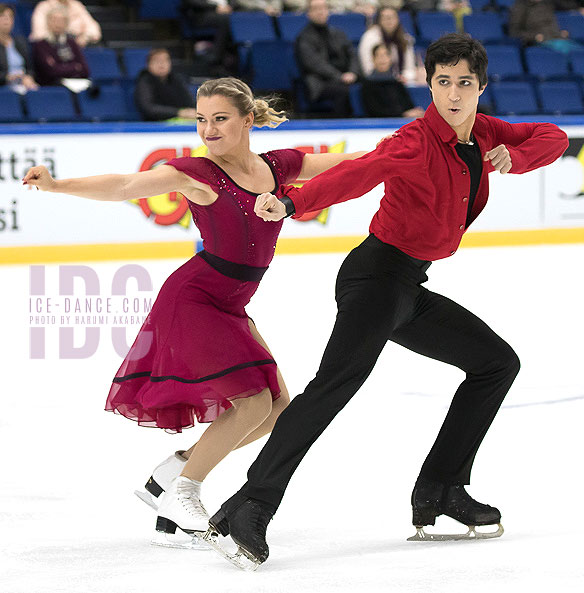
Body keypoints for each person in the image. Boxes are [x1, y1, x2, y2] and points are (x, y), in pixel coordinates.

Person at [204, 33, 569, 568]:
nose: (452, 94)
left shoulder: (487, 134)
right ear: (429, 84)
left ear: (481, 87)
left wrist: (516, 155)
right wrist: (292, 201)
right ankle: (252, 504)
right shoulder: (415, 140)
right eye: (442, 81)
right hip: (375, 279)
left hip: (407, 285)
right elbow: (359, 174)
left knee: (495, 363)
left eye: (464, 83)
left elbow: (554, 136)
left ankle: (441, 489)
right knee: (334, 387)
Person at [22, 76, 367, 548]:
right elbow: (126, 184)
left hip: (232, 304)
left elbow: (348, 163)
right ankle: (185, 490)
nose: (208, 129)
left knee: (277, 409)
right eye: (202, 119)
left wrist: (405, 150)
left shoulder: (278, 167)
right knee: (250, 403)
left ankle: (168, 477)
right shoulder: (200, 174)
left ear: (248, 120)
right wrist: (59, 185)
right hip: (195, 299)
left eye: (220, 118)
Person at [295, 0, 361, 117]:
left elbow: (352, 54)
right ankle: (343, 127)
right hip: (320, 83)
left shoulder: (338, 33)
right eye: (316, 9)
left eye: (323, 8)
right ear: (308, 13)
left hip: (344, 78)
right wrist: (340, 77)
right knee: (343, 92)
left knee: (369, 85)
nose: (321, 12)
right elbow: (314, 64)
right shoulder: (304, 38)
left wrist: (353, 73)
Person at [358, 5, 425, 86]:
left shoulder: (405, 37)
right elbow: (367, 69)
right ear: (379, 20)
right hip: (377, 82)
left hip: (402, 82)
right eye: (385, 17)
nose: (389, 20)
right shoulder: (370, 38)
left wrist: (405, 77)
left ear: (398, 19)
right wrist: (391, 78)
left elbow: (409, 67)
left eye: (392, 17)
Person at [361, 44, 424, 117]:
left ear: (390, 58)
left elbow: (409, 106)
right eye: (378, 55)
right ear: (373, 59)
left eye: (386, 55)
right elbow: (374, 111)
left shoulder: (396, 83)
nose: (383, 59)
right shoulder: (368, 83)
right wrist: (402, 115)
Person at [32, 7, 89, 86]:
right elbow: (50, 71)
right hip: (52, 86)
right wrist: (75, 67)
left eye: (62, 21)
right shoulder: (41, 45)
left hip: (76, 83)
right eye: (54, 20)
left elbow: (85, 70)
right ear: (48, 22)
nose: (58, 24)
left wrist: (60, 67)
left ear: (66, 24)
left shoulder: (72, 43)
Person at [134, 48, 197, 121]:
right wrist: (178, 112)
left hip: (178, 122)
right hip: (154, 126)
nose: (161, 64)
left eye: (165, 60)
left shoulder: (176, 79)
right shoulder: (144, 82)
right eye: (157, 61)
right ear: (148, 65)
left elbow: (190, 101)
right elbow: (149, 108)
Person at [0, 3, 38, 92]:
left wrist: (28, 76)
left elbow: (30, 68)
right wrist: (8, 77)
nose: (7, 20)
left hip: (24, 85)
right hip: (4, 87)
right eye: (2, 16)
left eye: (10, 17)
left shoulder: (21, 42)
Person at [30, 0, 101, 47]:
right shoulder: (44, 6)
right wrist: (64, 38)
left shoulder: (76, 5)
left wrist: (84, 37)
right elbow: (39, 35)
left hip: (77, 47)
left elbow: (95, 31)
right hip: (50, 48)